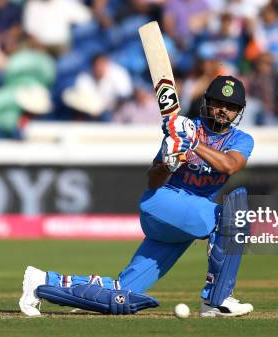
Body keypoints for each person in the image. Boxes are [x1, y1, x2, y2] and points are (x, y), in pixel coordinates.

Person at [19, 75, 255, 317]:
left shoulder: (239, 139)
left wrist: (192, 143)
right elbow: (153, 180)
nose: (224, 110)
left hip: (187, 219)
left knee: (122, 293)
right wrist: (168, 163)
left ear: (239, 111)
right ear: (207, 102)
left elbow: (229, 166)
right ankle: (216, 300)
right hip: (162, 202)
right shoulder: (182, 128)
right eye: (219, 103)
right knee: (231, 215)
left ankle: (41, 282)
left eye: (231, 107)